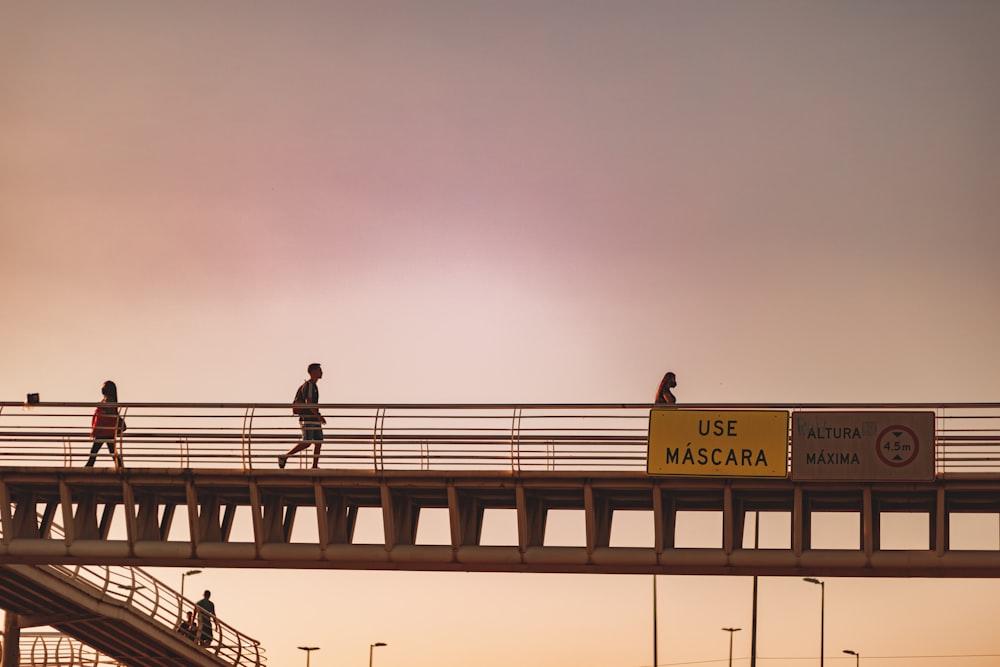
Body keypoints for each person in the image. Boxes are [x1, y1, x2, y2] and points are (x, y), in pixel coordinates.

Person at [279, 363, 326, 469]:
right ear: (313, 372)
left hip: (313, 418)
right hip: (308, 418)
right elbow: (308, 402)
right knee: (307, 442)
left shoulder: (313, 386)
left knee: (318, 441)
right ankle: (285, 457)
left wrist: (317, 416)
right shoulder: (309, 385)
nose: (321, 372)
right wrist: (318, 415)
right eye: (319, 370)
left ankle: (314, 465)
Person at [86, 380, 124, 468]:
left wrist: (101, 406)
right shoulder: (110, 400)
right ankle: (120, 465)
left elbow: (108, 412)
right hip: (106, 430)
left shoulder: (109, 400)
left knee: (95, 450)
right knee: (111, 451)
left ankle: (89, 465)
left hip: (104, 430)